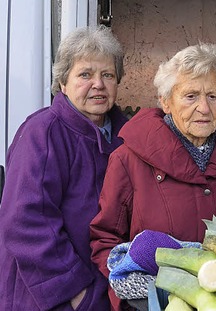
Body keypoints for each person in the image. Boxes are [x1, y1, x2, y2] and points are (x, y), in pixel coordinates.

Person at [89, 43, 216, 310]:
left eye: (212, 96)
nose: (204, 108)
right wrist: (133, 296)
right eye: (190, 96)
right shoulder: (128, 159)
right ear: (166, 101)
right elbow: (105, 238)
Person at [0, 25, 128, 310]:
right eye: (85, 74)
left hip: (105, 293)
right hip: (52, 298)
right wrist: (76, 293)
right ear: (63, 83)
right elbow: (26, 222)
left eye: (107, 75)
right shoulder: (43, 132)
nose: (98, 84)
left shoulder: (127, 137)